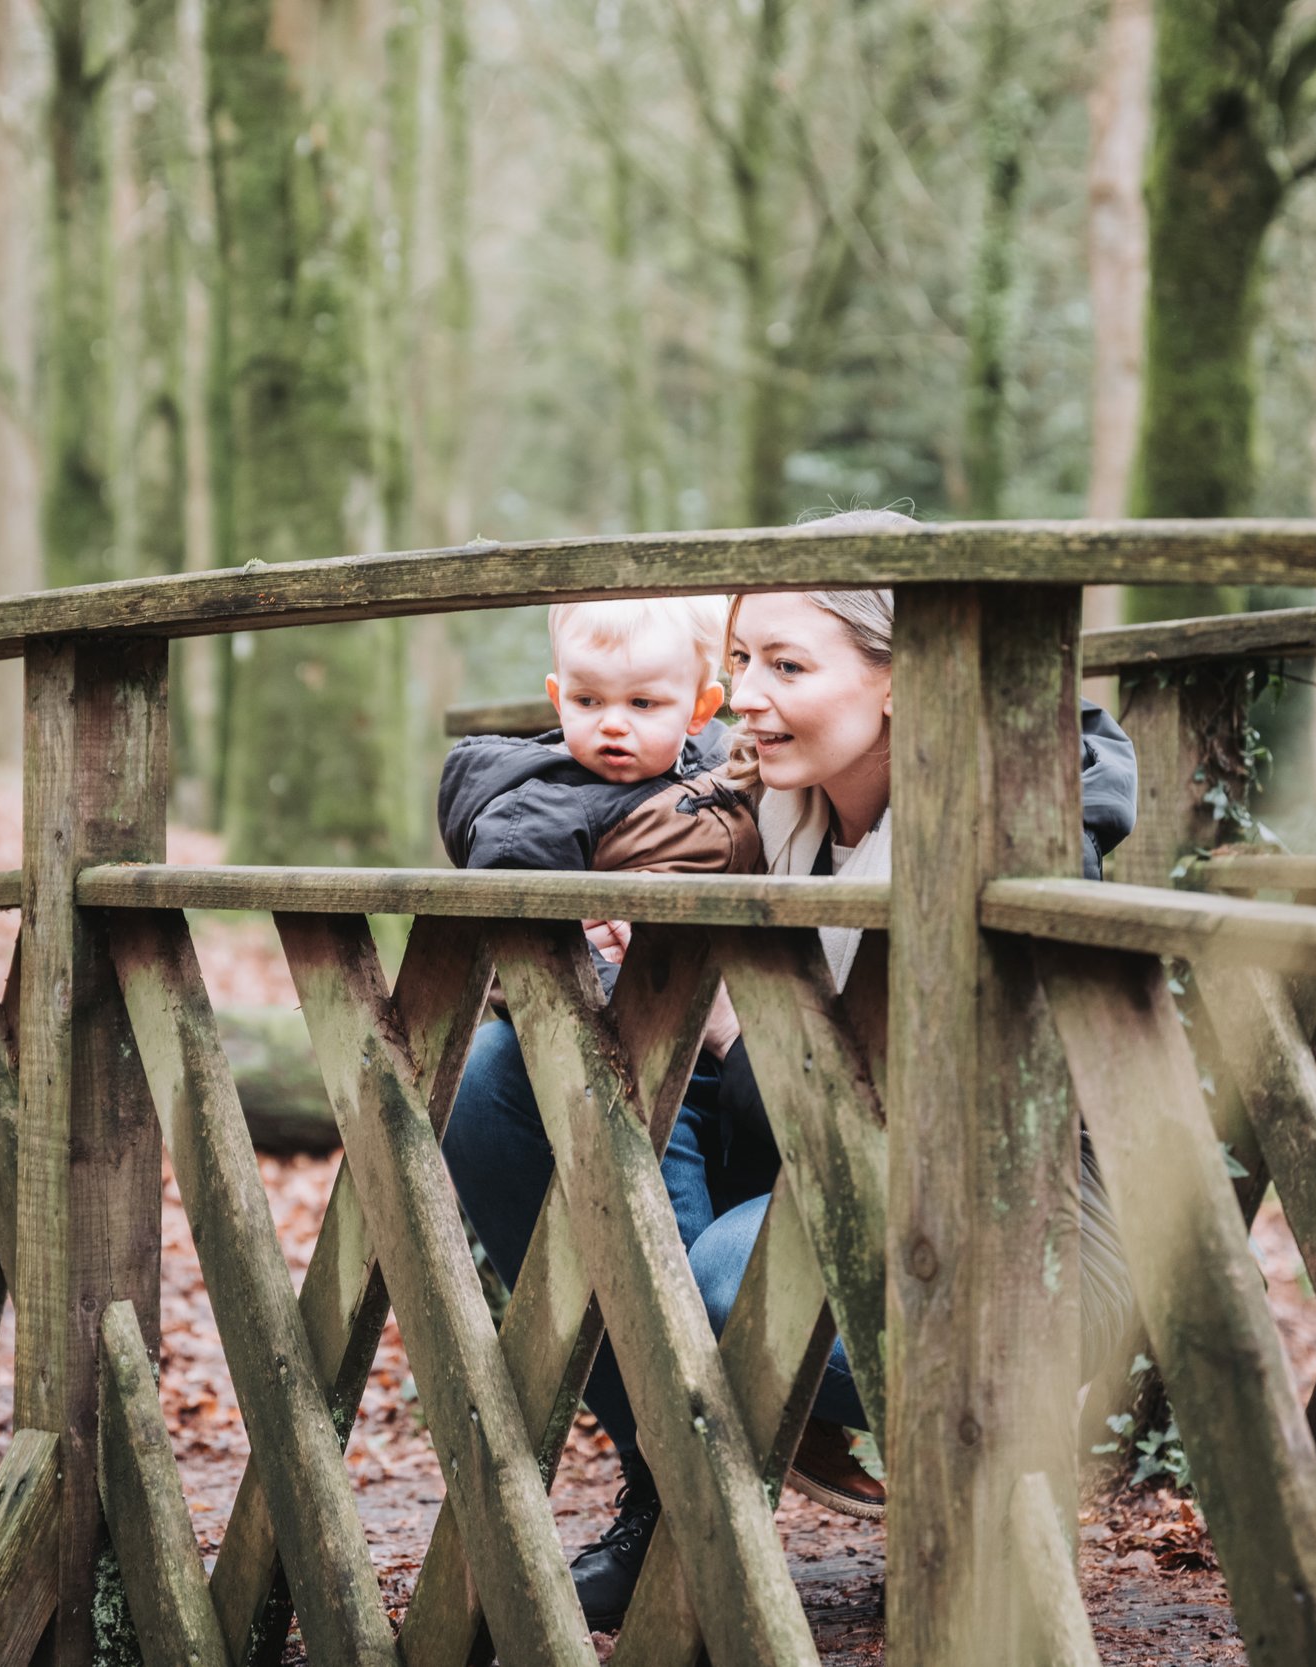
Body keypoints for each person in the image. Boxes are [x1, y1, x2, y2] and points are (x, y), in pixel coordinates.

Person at [438, 512, 1140, 1631]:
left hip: (1004, 1248)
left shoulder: (1005, 828)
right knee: (500, 1070)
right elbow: (522, 782)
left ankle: (755, 1498)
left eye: (788, 665)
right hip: (798, 1172)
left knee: (724, 1279)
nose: (748, 696)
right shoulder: (756, 797)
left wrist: (726, 1029)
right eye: (739, 662)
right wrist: (594, 899)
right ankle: (682, 1499)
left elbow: (937, 1116)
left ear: (902, 679)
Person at [437, 596, 761, 947]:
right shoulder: (540, 814)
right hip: (632, 990)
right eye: (587, 701)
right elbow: (516, 953)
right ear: (559, 702)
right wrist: (607, 978)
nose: (612, 724)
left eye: (642, 703)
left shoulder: (723, 758)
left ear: (699, 711)